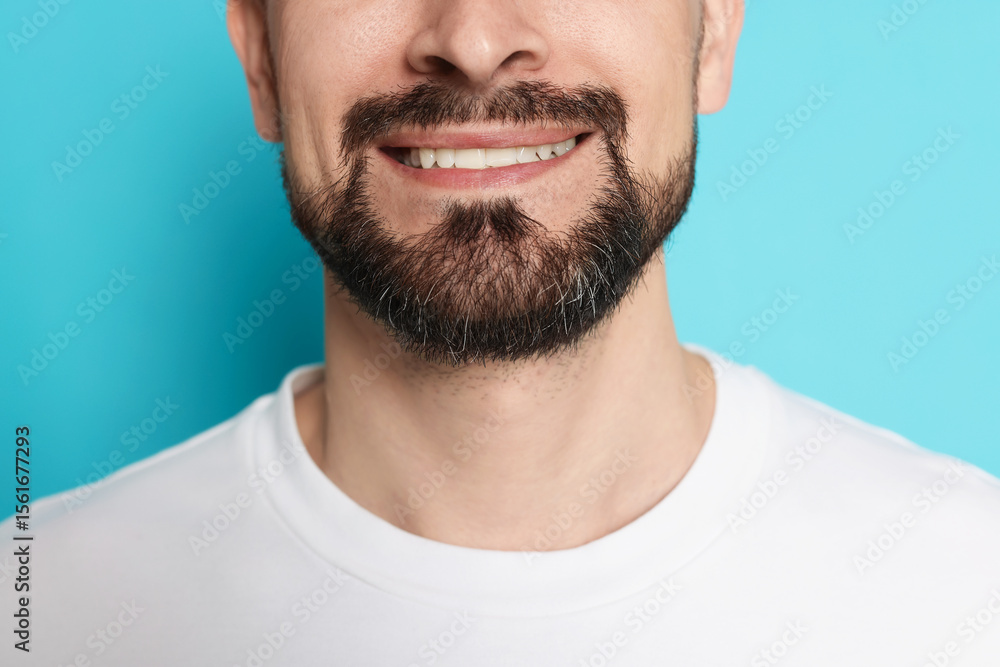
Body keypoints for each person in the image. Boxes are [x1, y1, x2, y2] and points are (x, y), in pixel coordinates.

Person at [5, 0, 1000, 664]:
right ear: (259, 53)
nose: (474, 39)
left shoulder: (969, 592)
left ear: (712, 32)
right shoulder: (40, 612)